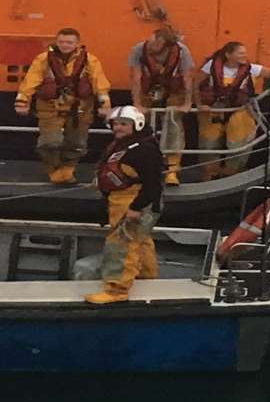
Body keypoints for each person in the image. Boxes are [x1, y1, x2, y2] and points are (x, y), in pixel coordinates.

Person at [84, 106, 166, 305]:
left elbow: (153, 184)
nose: (118, 128)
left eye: (123, 124)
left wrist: (137, 207)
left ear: (136, 125)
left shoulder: (143, 150)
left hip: (134, 202)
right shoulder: (125, 145)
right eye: (115, 124)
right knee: (141, 241)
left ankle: (116, 290)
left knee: (121, 245)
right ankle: (147, 278)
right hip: (121, 201)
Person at [14, 27, 112, 185]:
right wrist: (22, 101)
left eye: (69, 42)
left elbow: (99, 84)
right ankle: (54, 169)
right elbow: (30, 81)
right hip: (50, 107)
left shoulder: (90, 61)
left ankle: (66, 171)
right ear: (56, 41)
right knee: (49, 142)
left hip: (80, 109)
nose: (65, 45)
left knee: (77, 143)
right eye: (61, 41)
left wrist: (104, 105)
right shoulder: (43, 60)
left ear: (77, 43)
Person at [196, 40, 270, 178]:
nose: (244, 55)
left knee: (239, 143)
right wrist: (198, 104)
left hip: (239, 110)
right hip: (214, 110)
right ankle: (208, 174)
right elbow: (194, 84)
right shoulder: (211, 66)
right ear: (228, 55)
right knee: (208, 144)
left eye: (245, 53)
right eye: (240, 53)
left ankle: (232, 174)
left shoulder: (251, 68)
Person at [127, 25, 199, 185]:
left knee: (173, 121)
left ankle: (171, 169)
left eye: (154, 42)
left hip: (175, 90)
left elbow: (188, 78)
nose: (150, 44)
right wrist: (137, 104)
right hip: (147, 89)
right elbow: (136, 78)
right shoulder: (139, 50)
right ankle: (136, 164)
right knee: (138, 122)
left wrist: (187, 103)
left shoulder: (182, 52)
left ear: (164, 44)